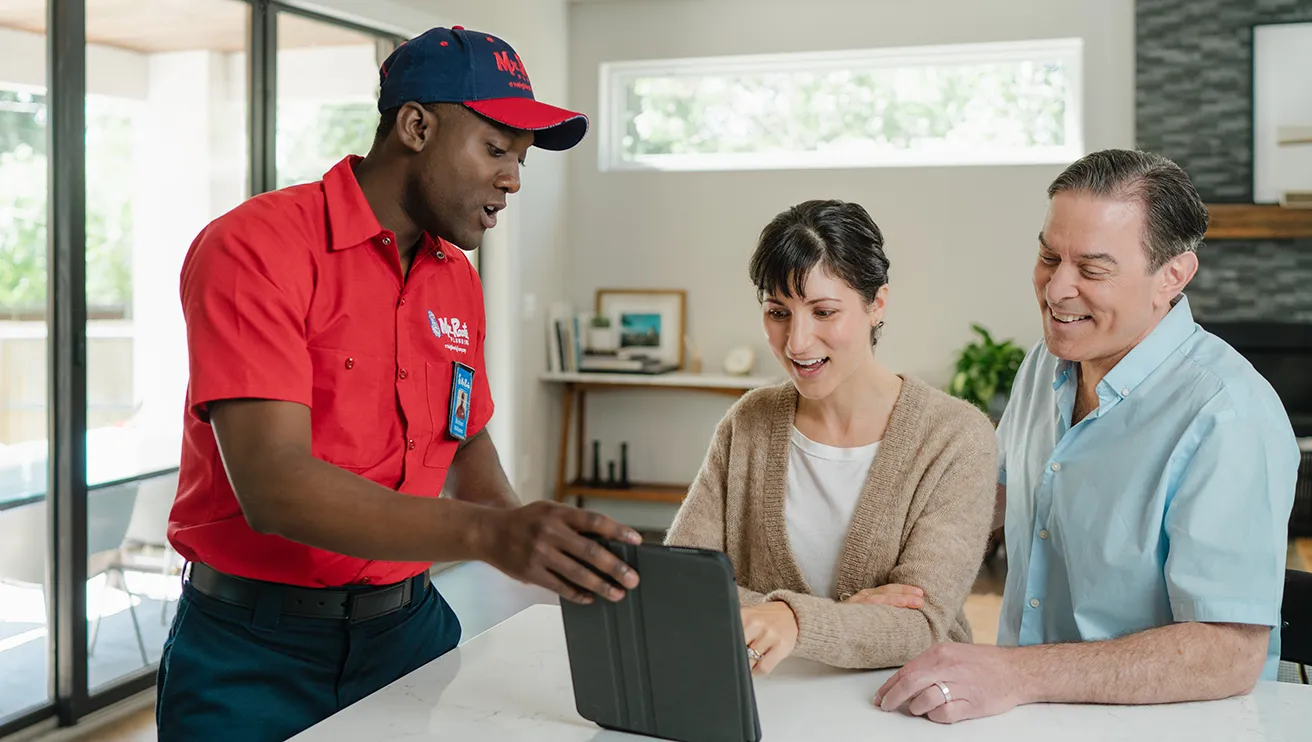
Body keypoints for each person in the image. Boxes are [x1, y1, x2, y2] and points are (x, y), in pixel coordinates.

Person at [157, 27, 643, 741]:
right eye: (497, 149)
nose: (513, 179)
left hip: (409, 635)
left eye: (522, 160)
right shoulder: (255, 248)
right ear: (417, 125)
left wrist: (541, 542)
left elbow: (465, 438)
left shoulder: (456, 277)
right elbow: (273, 484)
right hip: (251, 652)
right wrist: (492, 533)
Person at [876, 149, 1299, 724]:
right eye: (1048, 256)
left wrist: (1016, 673)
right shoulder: (1043, 365)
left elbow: (1229, 654)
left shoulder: (1228, 414)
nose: (1056, 290)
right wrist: (889, 582)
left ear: (1171, 275)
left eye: (1092, 269)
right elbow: (985, 504)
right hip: (1022, 713)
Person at [665, 199, 998, 674]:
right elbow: (681, 583)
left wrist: (791, 620)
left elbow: (922, 625)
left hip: (901, 700)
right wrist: (851, 617)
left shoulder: (955, 438)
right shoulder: (749, 422)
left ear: (876, 303)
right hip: (768, 694)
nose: (797, 341)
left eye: (823, 312)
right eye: (778, 312)